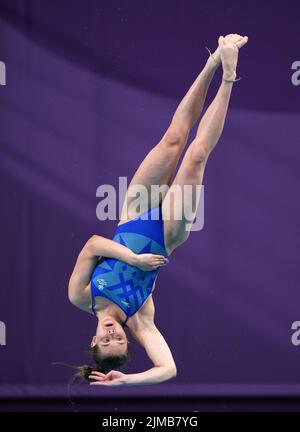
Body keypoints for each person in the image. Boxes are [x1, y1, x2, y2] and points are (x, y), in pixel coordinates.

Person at [68, 34, 248, 386]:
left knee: (174, 137)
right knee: (196, 155)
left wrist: (133, 261)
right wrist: (125, 381)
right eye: (117, 340)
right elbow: (168, 369)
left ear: (93, 340)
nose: (111, 335)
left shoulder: (81, 296)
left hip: (133, 215)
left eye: (104, 341)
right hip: (167, 233)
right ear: (125, 338)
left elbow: (92, 244)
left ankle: (211, 62)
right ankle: (228, 76)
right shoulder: (141, 320)